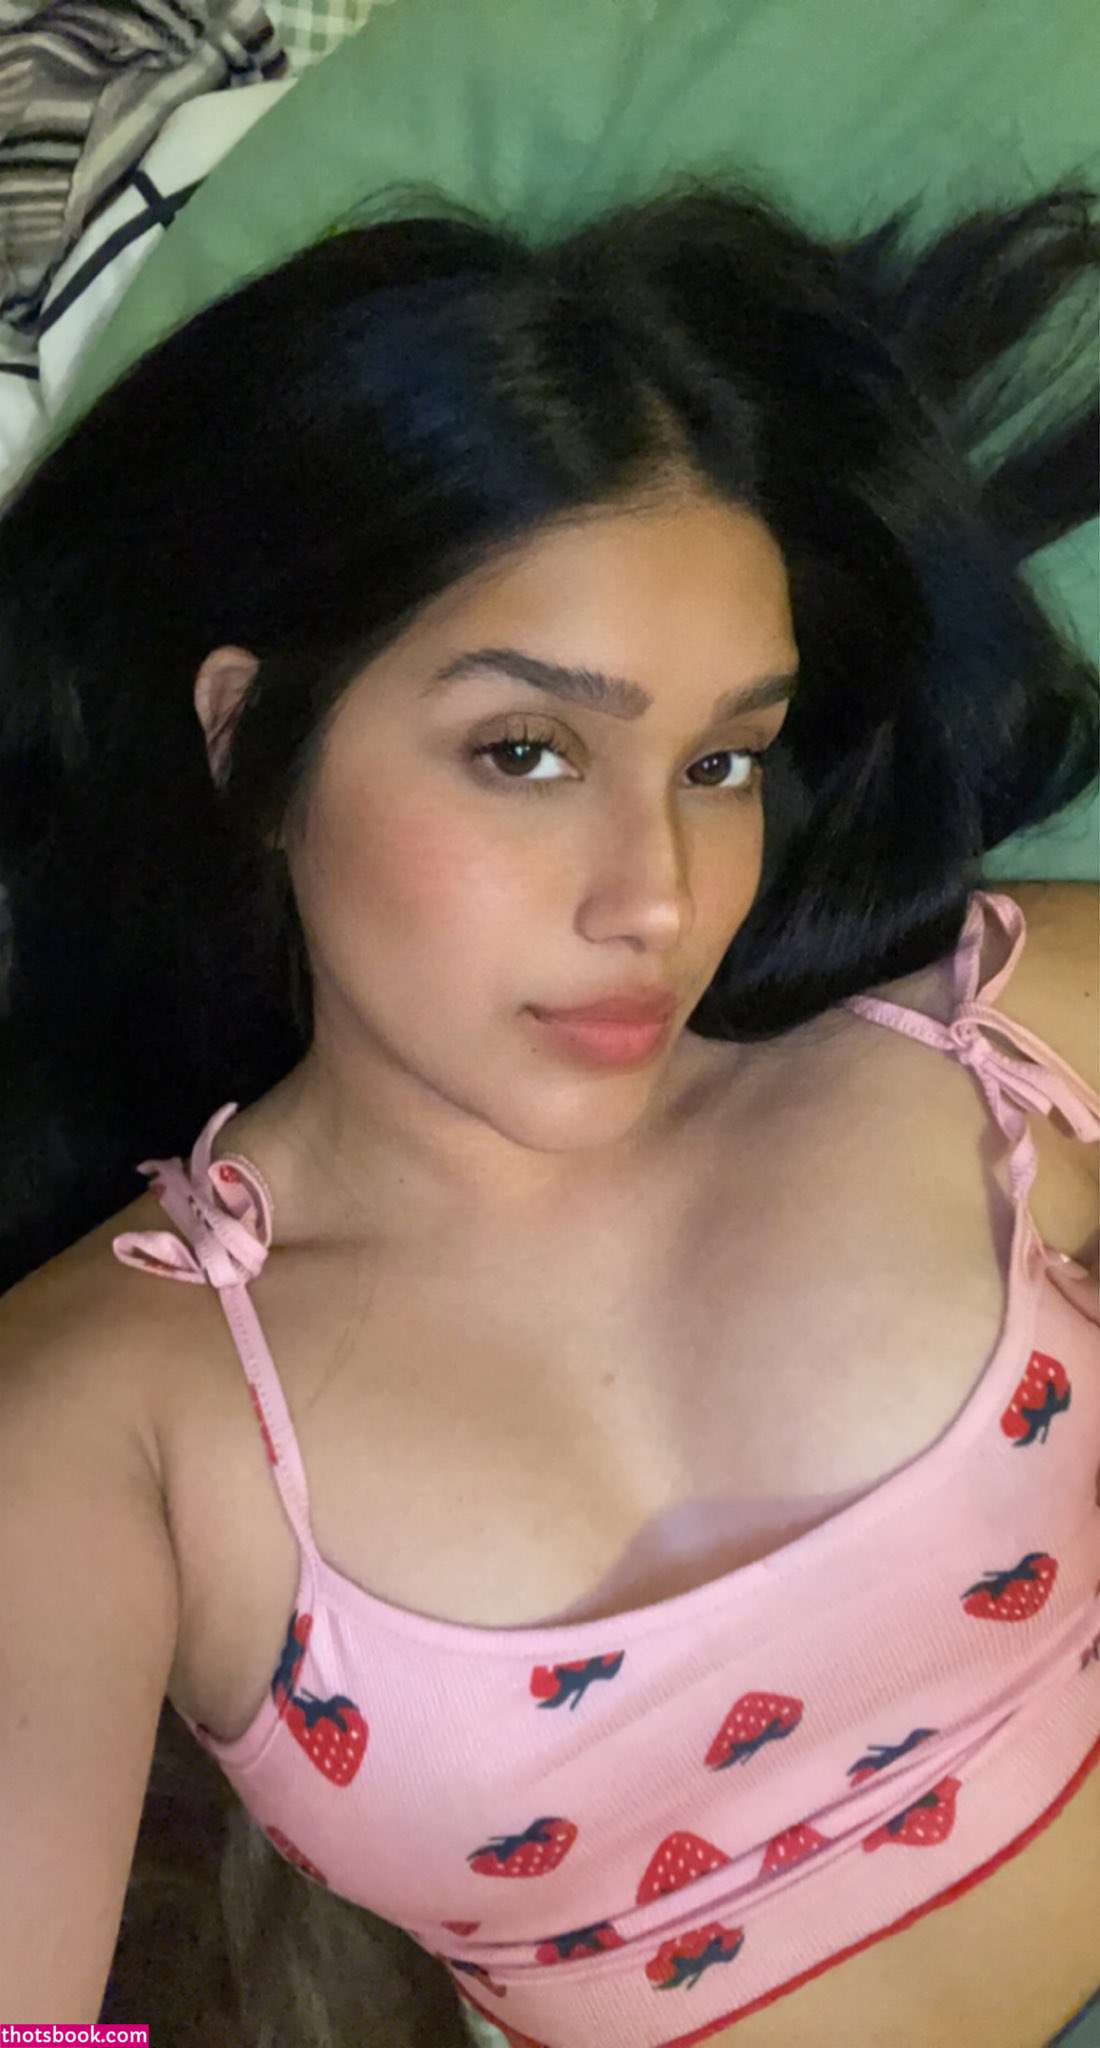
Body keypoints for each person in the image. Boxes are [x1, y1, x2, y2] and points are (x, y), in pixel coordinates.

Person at [0, 169, 1097, 2048]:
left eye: (722, 761)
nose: (654, 895)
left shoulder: (998, 1041)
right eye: (525, 753)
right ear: (251, 739)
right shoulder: (110, 1412)